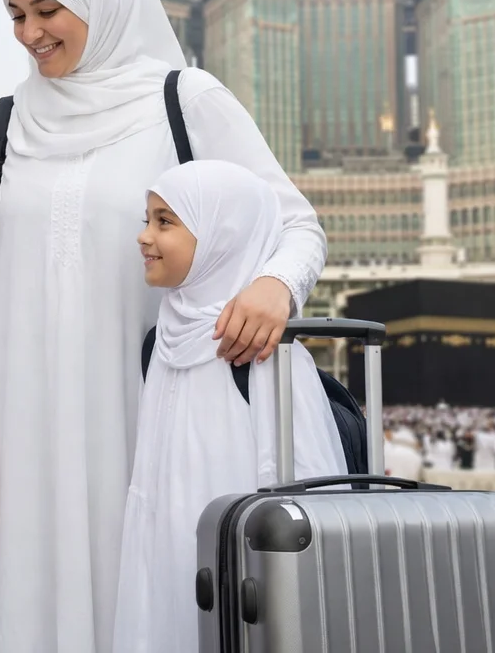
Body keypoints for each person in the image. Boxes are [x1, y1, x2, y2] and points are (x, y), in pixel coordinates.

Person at [0, 0, 326, 653]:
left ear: (104, 1)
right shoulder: (2, 127)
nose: (30, 33)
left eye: (47, 10)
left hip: (148, 411)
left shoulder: (184, 100)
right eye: (16, 14)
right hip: (24, 428)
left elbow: (297, 224)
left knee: (147, 588)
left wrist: (276, 285)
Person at [112, 161, 344, 653]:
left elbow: (312, 509)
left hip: (244, 586)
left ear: (223, 236)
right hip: (168, 573)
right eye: (147, 219)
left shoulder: (262, 353)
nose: (144, 236)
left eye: (165, 221)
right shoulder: (160, 342)